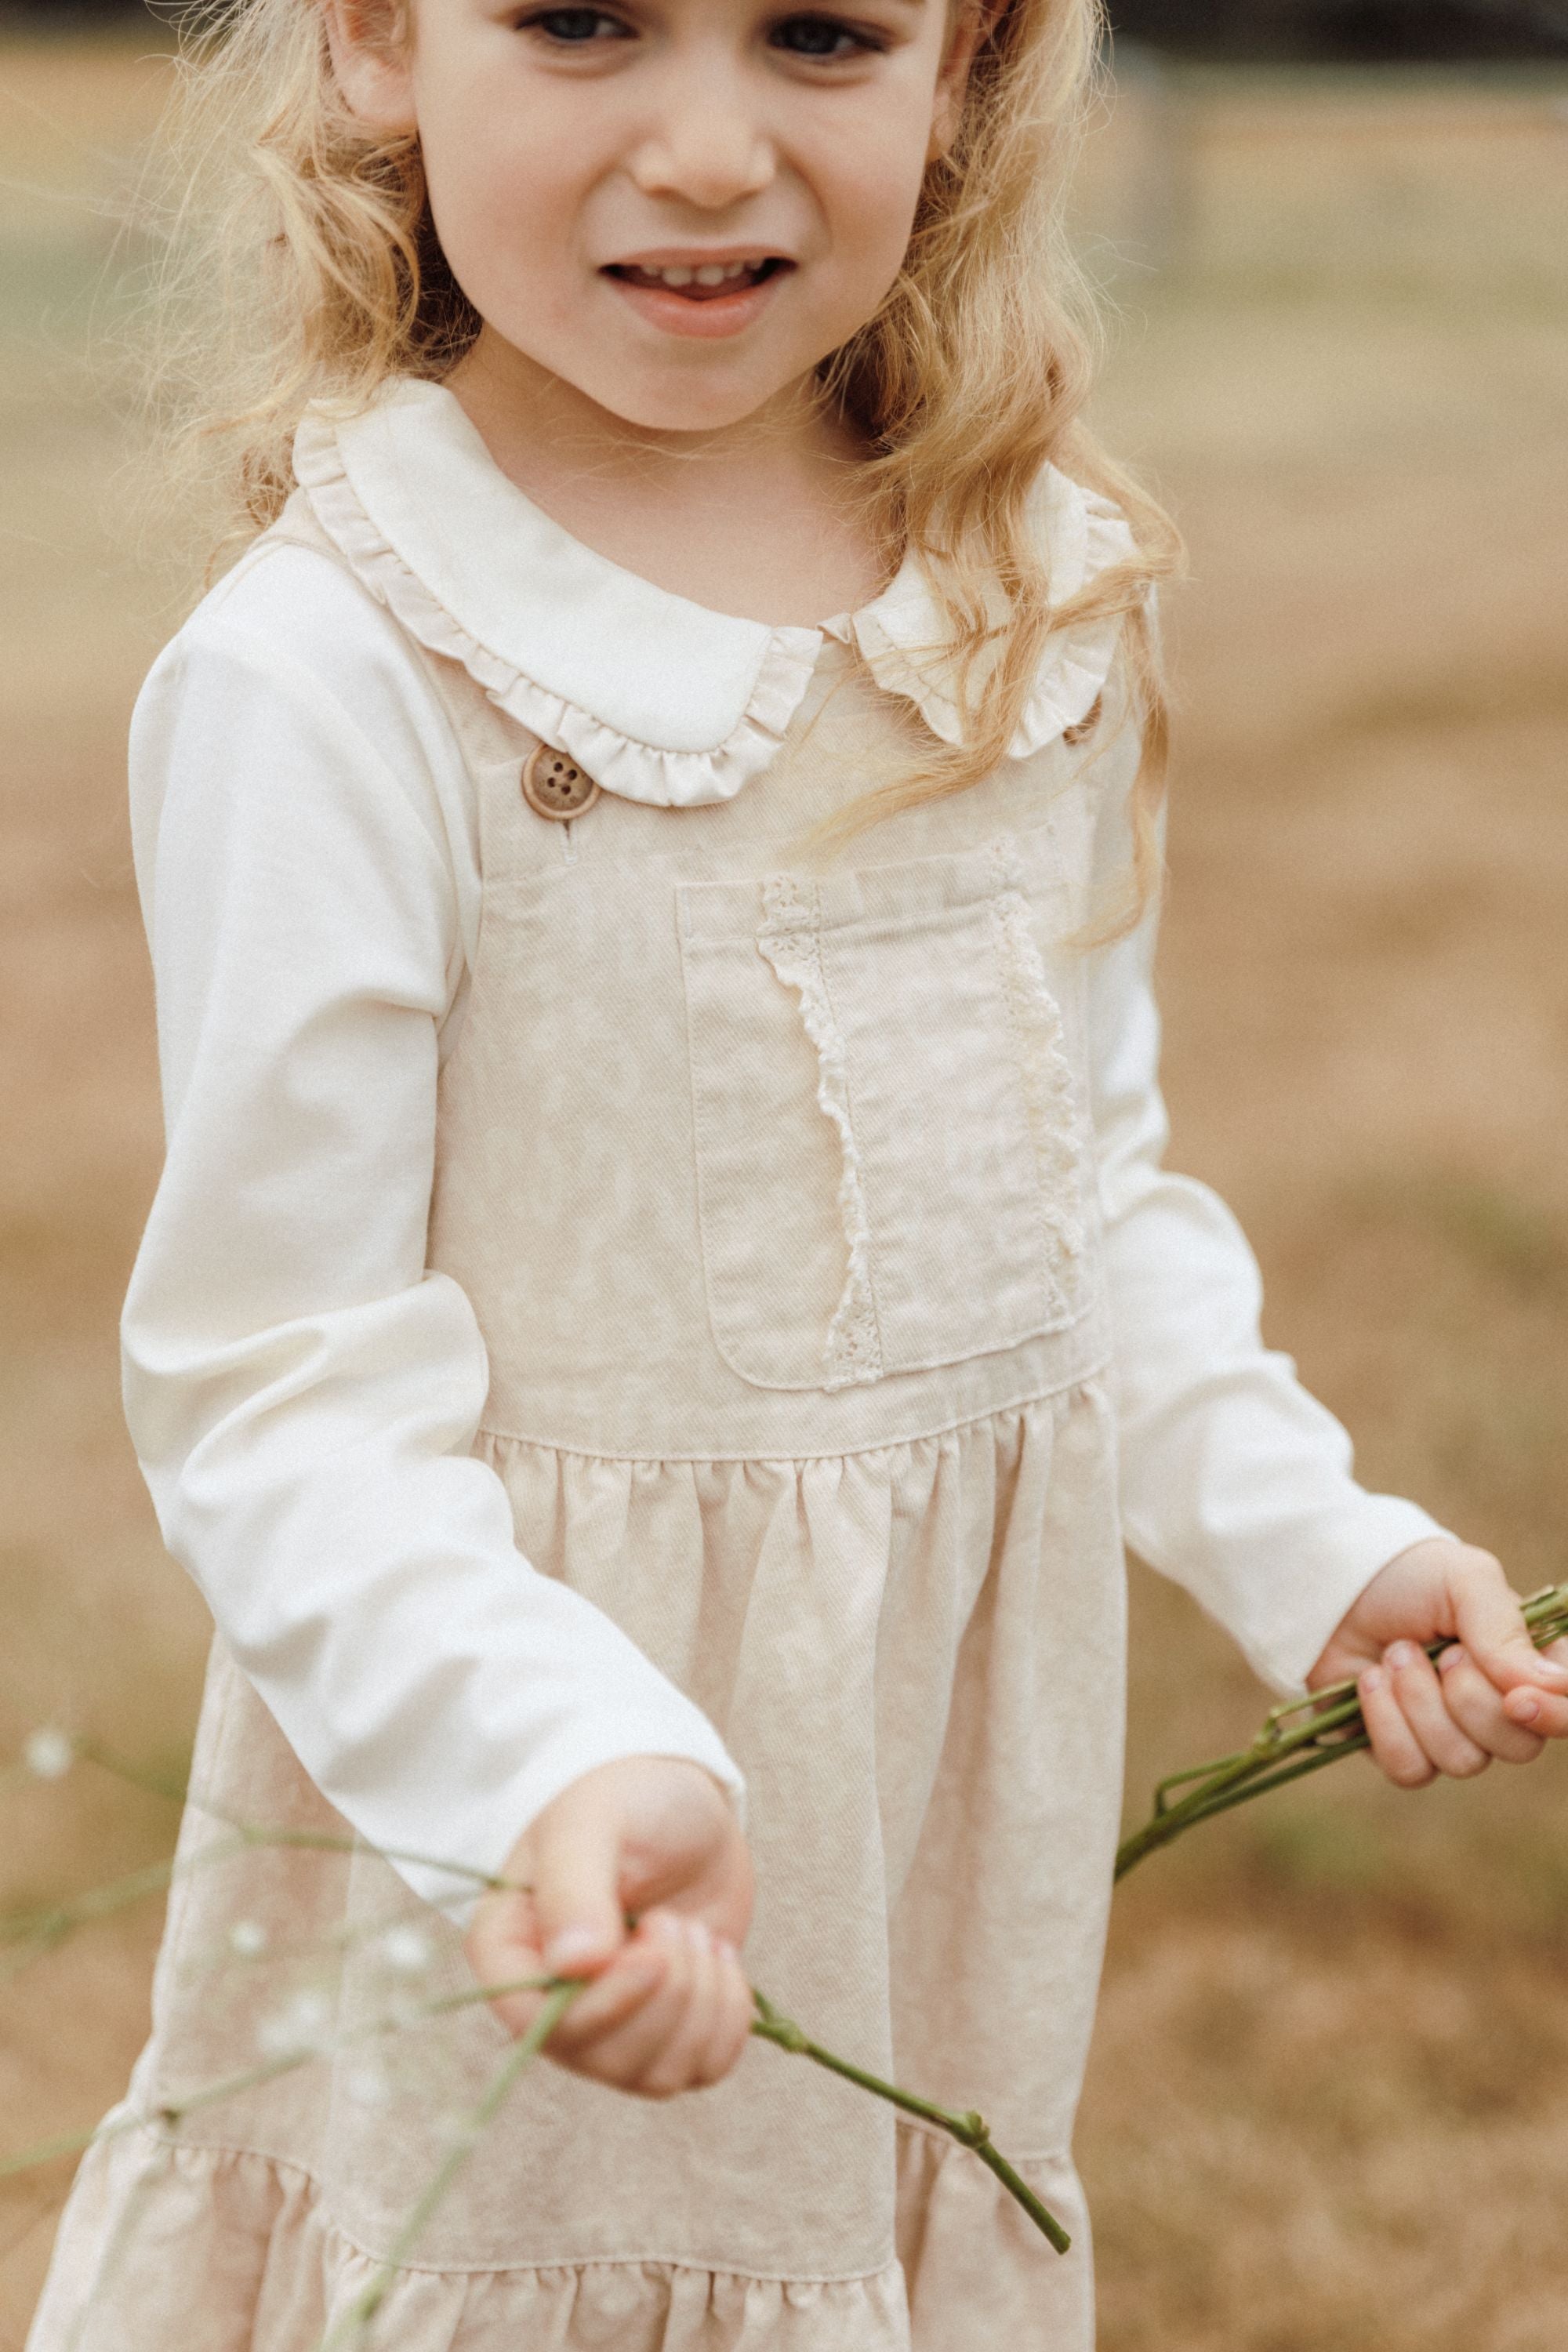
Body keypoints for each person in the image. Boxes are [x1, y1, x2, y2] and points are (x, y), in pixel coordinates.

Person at [27, 0, 1568, 2343]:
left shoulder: (1023, 586)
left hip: (920, 1864)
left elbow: (1081, 1202)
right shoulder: (334, 677)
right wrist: (559, 1754)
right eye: (581, 25)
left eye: (825, 37)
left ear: (962, 70)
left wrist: (1308, 1541)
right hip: (562, 1859)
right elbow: (281, 1397)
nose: (712, 146)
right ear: (372, 41)